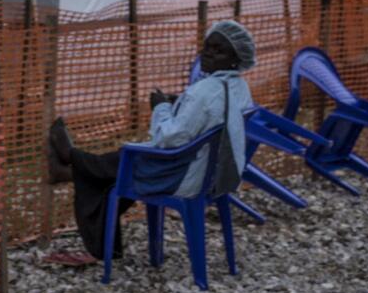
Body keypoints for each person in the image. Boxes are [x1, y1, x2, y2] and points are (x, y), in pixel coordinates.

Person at [46, 20, 257, 262]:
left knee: (123, 161)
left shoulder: (206, 90)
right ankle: (73, 165)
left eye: (219, 50)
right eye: (207, 46)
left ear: (236, 58)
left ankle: (72, 163)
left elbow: (167, 139)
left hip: (185, 177)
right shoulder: (238, 86)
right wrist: (181, 102)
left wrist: (161, 107)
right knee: (121, 162)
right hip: (215, 174)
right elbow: (208, 116)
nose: (209, 53)